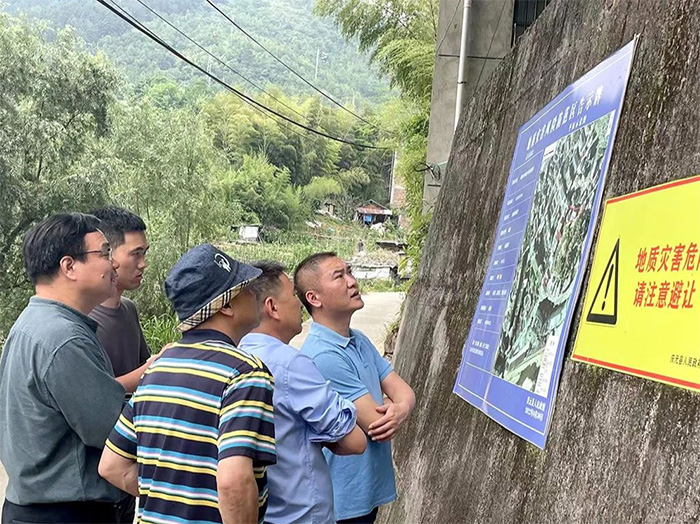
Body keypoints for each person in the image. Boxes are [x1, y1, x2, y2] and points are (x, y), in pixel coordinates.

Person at [99, 243, 276, 524]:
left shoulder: (156, 370)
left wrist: (170, 499)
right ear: (225, 305)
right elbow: (234, 481)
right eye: (245, 287)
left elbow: (112, 465)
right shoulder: (244, 372)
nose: (254, 292)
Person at [0, 213, 127, 524]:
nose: (114, 264)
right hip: (65, 513)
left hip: (31, 509)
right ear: (69, 266)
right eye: (104, 253)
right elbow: (115, 430)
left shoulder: (31, 323)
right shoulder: (64, 338)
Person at [239, 260, 367, 524]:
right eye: (293, 296)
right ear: (272, 307)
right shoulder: (291, 364)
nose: (300, 305)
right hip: (302, 515)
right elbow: (354, 441)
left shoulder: (234, 357)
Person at [295, 252, 416, 524]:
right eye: (339, 276)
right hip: (342, 499)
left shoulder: (358, 339)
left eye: (349, 272)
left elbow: (405, 392)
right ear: (314, 298)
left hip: (365, 491)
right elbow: (376, 424)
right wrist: (395, 406)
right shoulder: (324, 355)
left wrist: (400, 408)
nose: (352, 281)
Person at [89, 207, 152, 396]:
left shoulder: (129, 309)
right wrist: (155, 366)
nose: (143, 264)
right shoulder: (83, 322)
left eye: (144, 253)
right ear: (107, 254)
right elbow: (93, 393)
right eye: (136, 254)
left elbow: (142, 366)